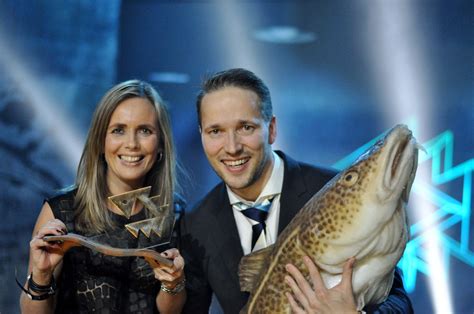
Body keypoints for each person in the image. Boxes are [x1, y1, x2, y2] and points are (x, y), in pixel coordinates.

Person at [180, 68, 413, 313]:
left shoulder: (333, 192)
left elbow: (398, 302)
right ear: (202, 135)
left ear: (271, 129)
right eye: (215, 131)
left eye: (246, 127)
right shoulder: (196, 222)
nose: (232, 147)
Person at [19, 80, 186, 314]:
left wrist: (173, 284)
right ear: (100, 141)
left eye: (145, 131)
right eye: (119, 130)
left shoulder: (176, 212)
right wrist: (41, 275)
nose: (131, 144)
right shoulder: (62, 210)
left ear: (160, 144)